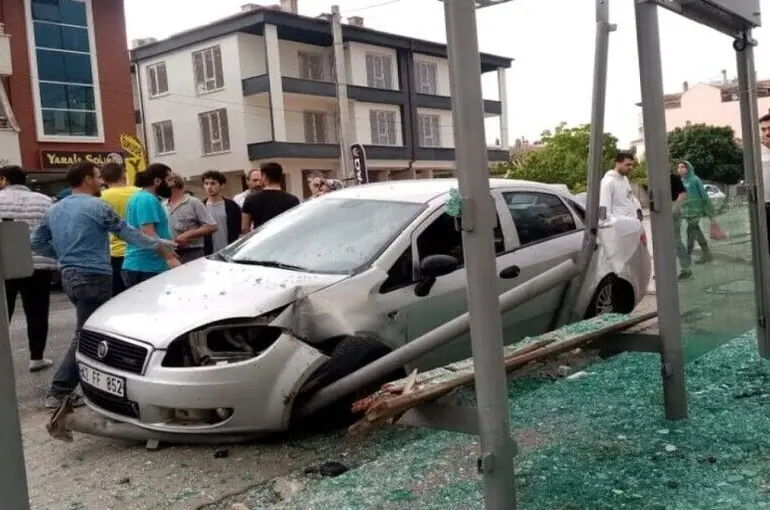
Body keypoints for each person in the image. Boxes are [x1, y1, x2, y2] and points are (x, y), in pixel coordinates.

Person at [30, 162, 175, 409]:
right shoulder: (97, 206)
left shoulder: (55, 209)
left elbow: (36, 241)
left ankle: (88, 385)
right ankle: (59, 391)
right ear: (87, 179)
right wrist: (161, 244)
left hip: (69, 276)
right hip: (94, 276)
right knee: (86, 334)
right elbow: (128, 233)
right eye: (98, 177)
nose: (101, 182)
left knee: (87, 331)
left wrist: (63, 256)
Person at [0, 166, 56, 371]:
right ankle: (36, 357)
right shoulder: (44, 201)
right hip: (38, 263)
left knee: (3, 312)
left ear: (4, 180)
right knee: (37, 312)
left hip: (5, 265)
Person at [122, 163, 181, 287]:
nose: (172, 185)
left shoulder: (140, 197)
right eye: (169, 180)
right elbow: (148, 233)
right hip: (146, 268)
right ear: (157, 181)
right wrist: (169, 257)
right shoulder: (147, 199)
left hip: (144, 266)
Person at [100, 162, 140, 296]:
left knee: (118, 298)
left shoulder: (100, 197)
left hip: (114, 253)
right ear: (123, 174)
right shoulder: (139, 192)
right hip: (140, 250)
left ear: (103, 179)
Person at [165, 174, 217, 263]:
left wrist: (188, 235)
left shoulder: (193, 202)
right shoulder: (163, 205)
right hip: (170, 254)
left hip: (192, 253)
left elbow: (211, 226)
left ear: (173, 186)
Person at [241, 162, 300, 234]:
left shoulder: (250, 199)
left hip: (261, 240)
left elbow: (244, 229)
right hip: (284, 239)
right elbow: (296, 225)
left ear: (264, 176)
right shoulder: (293, 200)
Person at [677, 161, 713, 264]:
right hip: (687, 212)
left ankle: (690, 254)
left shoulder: (695, 179)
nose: (680, 169)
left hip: (697, 210)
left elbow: (704, 195)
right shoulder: (682, 180)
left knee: (692, 229)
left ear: (688, 168)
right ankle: (706, 254)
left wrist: (709, 212)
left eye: (682, 167)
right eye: (678, 167)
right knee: (693, 231)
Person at [201, 170, 242, 254]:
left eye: (213, 183)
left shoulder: (232, 206)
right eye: (206, 183)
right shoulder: (200, 207)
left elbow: (239, 229)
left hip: (230, 251)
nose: (209, 187)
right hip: (208, 252)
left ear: (222, 185)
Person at [599, 151, 638, 220]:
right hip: (620, 227)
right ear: (617, 163)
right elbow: (605, 212)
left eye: (632, 165)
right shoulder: (608, 182)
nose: (631, 167)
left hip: (631, 224)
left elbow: (629, 201)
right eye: (628, 164)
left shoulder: (625, 179)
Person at [671, 172, 692, 280]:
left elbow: (683, 194)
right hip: (662, 214)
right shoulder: (656, 178)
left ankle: (686, 269)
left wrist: (675, 208)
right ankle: (665, 269)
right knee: (663, 244)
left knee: (676, 241)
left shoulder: (673, 177)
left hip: (673, 211)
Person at [759, 113, 770, 249]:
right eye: (763, 129)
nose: (767, 133)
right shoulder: (758, 152)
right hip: (764, 206)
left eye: (769, 128)